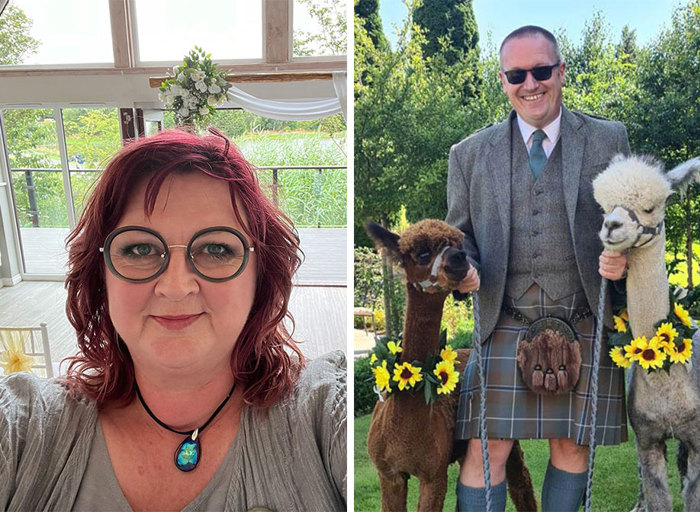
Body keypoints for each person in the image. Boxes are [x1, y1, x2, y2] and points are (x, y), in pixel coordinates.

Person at [0, 128, 346, 511]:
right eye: (140, 248)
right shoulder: (24, 427)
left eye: (216, 248)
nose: (176, 287)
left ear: (260, 277)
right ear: (101, 276)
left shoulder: (324, 414)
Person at [446, 26, 629, 512]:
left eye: (542, 70)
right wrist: (464, 268)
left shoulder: (609, 138)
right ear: (504, 80)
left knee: (571, 445)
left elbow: (631, 215)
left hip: (583, 314)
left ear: (561, 72)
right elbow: (458, 234)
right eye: (517, 74)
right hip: (506, 316)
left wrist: (625, 254)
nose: (531, 84)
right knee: (490, 446)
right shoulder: (468, 154)